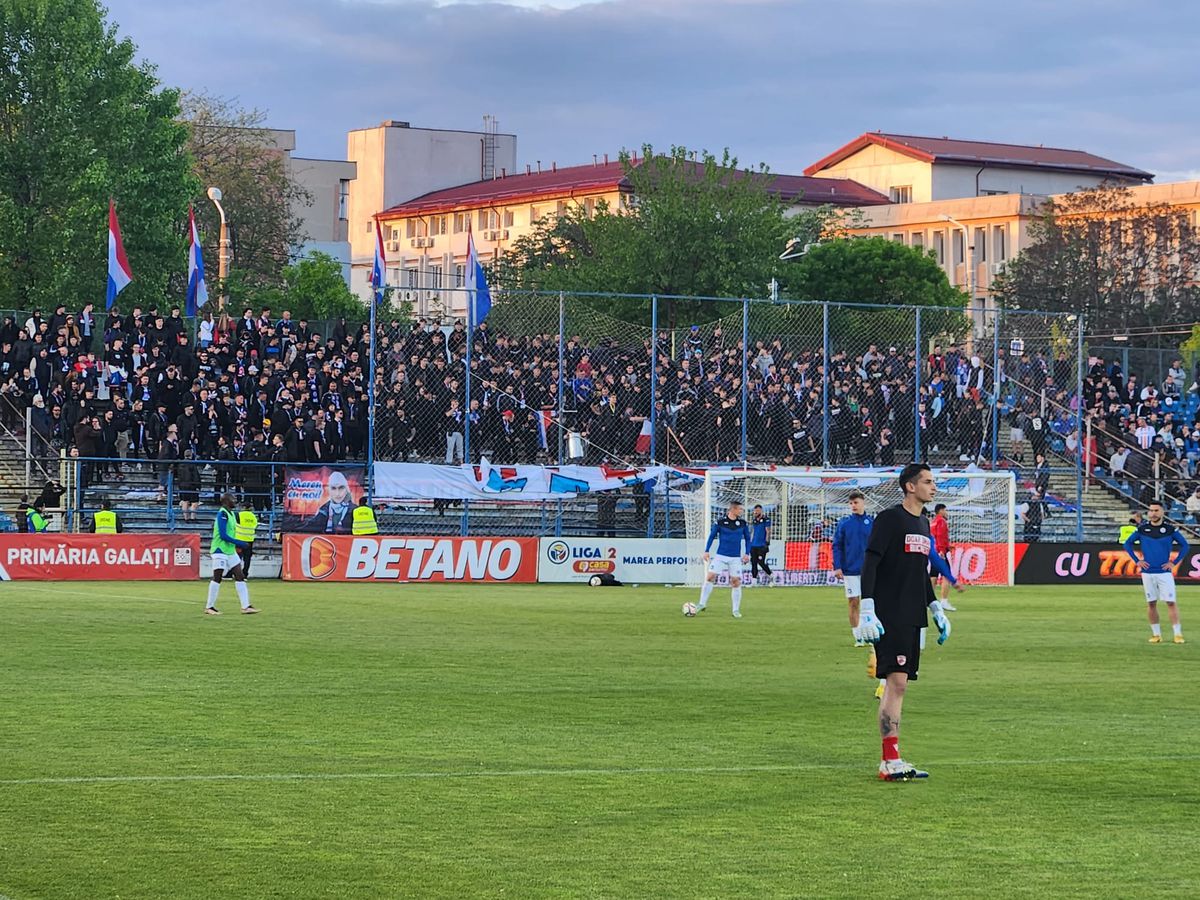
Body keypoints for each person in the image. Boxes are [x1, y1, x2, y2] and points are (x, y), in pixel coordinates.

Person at [857, 463, 959, 781]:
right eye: (928, 482)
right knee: (896, 682)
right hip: (890, 612)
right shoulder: (890, 519)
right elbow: (871, 562)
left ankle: (892, 758)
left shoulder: (924, 523)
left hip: (913, 614)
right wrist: (868, 607)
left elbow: (919, 572)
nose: (934, 487)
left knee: (898, 685)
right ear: (910, 486)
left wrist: (935, 608)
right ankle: (889, 761)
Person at [1122, 501, 1187, 644]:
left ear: (1162, 512)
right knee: (1151, 603)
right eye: (1151, 510)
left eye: (1156, 510)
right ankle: (1156, 635)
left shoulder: (1170, 530)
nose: (1153, 513)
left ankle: (1178, 634)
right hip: (1147, 572)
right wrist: (1137, 560)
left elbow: (1185, 546)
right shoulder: (1142, 529)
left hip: (1164, 572)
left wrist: (1173, 563)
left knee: (1171, 602)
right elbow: (1127, 544)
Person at [696, 500, 751, 618]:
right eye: (740, 509)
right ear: (733, 509)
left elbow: (747, 539)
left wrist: (747, 553)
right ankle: (701, 604)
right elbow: (711, 536)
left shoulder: (743, 523)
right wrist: (706, 551)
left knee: (736, 582)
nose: (742, 511)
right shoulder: (720, 522)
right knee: (710, 577)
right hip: (720, 555)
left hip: (735, 557)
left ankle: (735, 610)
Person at [206, 493, 259, 616]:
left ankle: (245, 606)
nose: (235, 501)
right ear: (226, 501)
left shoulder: (231, 514)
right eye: (233, 499)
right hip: (220, 550)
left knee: (239, 575)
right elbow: (223, 535)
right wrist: (239, 543)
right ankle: (209, 607)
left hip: (230, 550)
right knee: (217, 577)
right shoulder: (222, 514)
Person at [833, 490, 873, 646]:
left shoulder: (871, 523)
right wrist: (837, 566)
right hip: (850, 570)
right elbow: (837, 545)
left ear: (863, 503)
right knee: (853, 602)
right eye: (851, 503)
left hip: (868, 570)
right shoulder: (844, 523)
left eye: (856, 502)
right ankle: (858, 636)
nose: (853, 506)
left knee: (869, 602)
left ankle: (869, 632)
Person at [930, 503, 955, 611]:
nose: (946, 512)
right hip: (940, 552)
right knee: (946, 575)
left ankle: (928, 600)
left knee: (933, 576)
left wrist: (947, 546)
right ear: (940, 510)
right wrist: (942, 550)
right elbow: (940, 536)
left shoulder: (933, 522)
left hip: (934, 551)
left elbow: (934, 537)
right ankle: (944, 601)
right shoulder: (941, 521)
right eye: (945, 510)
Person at [749, 504, 772, 584]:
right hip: (753, 545)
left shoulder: (766, 519)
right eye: (755, 511)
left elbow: (768, 531)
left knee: (761, 562)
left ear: (761, 511)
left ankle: (770, 574)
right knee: (753, 562)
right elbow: (752, 532)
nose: (756, 512)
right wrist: (750, 542)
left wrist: (767, 542)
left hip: (762, 545)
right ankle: (754, 580)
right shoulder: (754, 520)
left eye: (757, 510)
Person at [235, 499, 259, 577]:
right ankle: (245, 574)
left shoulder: (239, 515)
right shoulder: (253, 516)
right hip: (249, 539)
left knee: (236, 558)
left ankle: (232, 573)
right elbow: (255, 526)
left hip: (239, 539)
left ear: (243, 507)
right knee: (247, 558)